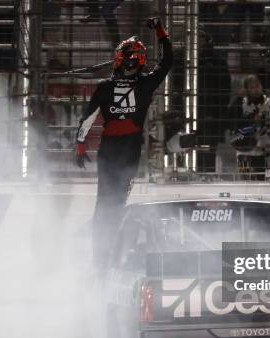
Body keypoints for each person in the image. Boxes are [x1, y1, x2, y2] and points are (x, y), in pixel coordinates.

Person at [75, 17, 172, 265]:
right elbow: (167, 62)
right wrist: (160, 32)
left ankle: (99, 255)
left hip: (108, 150)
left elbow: (87, 119)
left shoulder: (104, 86)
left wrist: (80, 144)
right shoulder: (147, 83)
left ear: (122, 59)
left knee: (104, 201)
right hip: (130, 151)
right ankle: (109, 253)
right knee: (117, 201)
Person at [196, 28, 231, 173]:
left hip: (211, 111)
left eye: (201, 37)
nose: (198, 41)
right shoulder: (180, 59)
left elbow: (225, 90)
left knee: (209, 146)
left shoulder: (218, 61)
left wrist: (217, 112)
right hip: (189, 111)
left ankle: (207, 175)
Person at [228, 75, 270, 178]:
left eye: (257, 86)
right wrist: (251, 120)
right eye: (252, 87)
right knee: (247, 181)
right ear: (246, 89)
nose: (255, 89)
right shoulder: (239, 103)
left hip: (266, 149)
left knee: (266, 179)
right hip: (245, 148)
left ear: (262, 86)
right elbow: (232, 123)